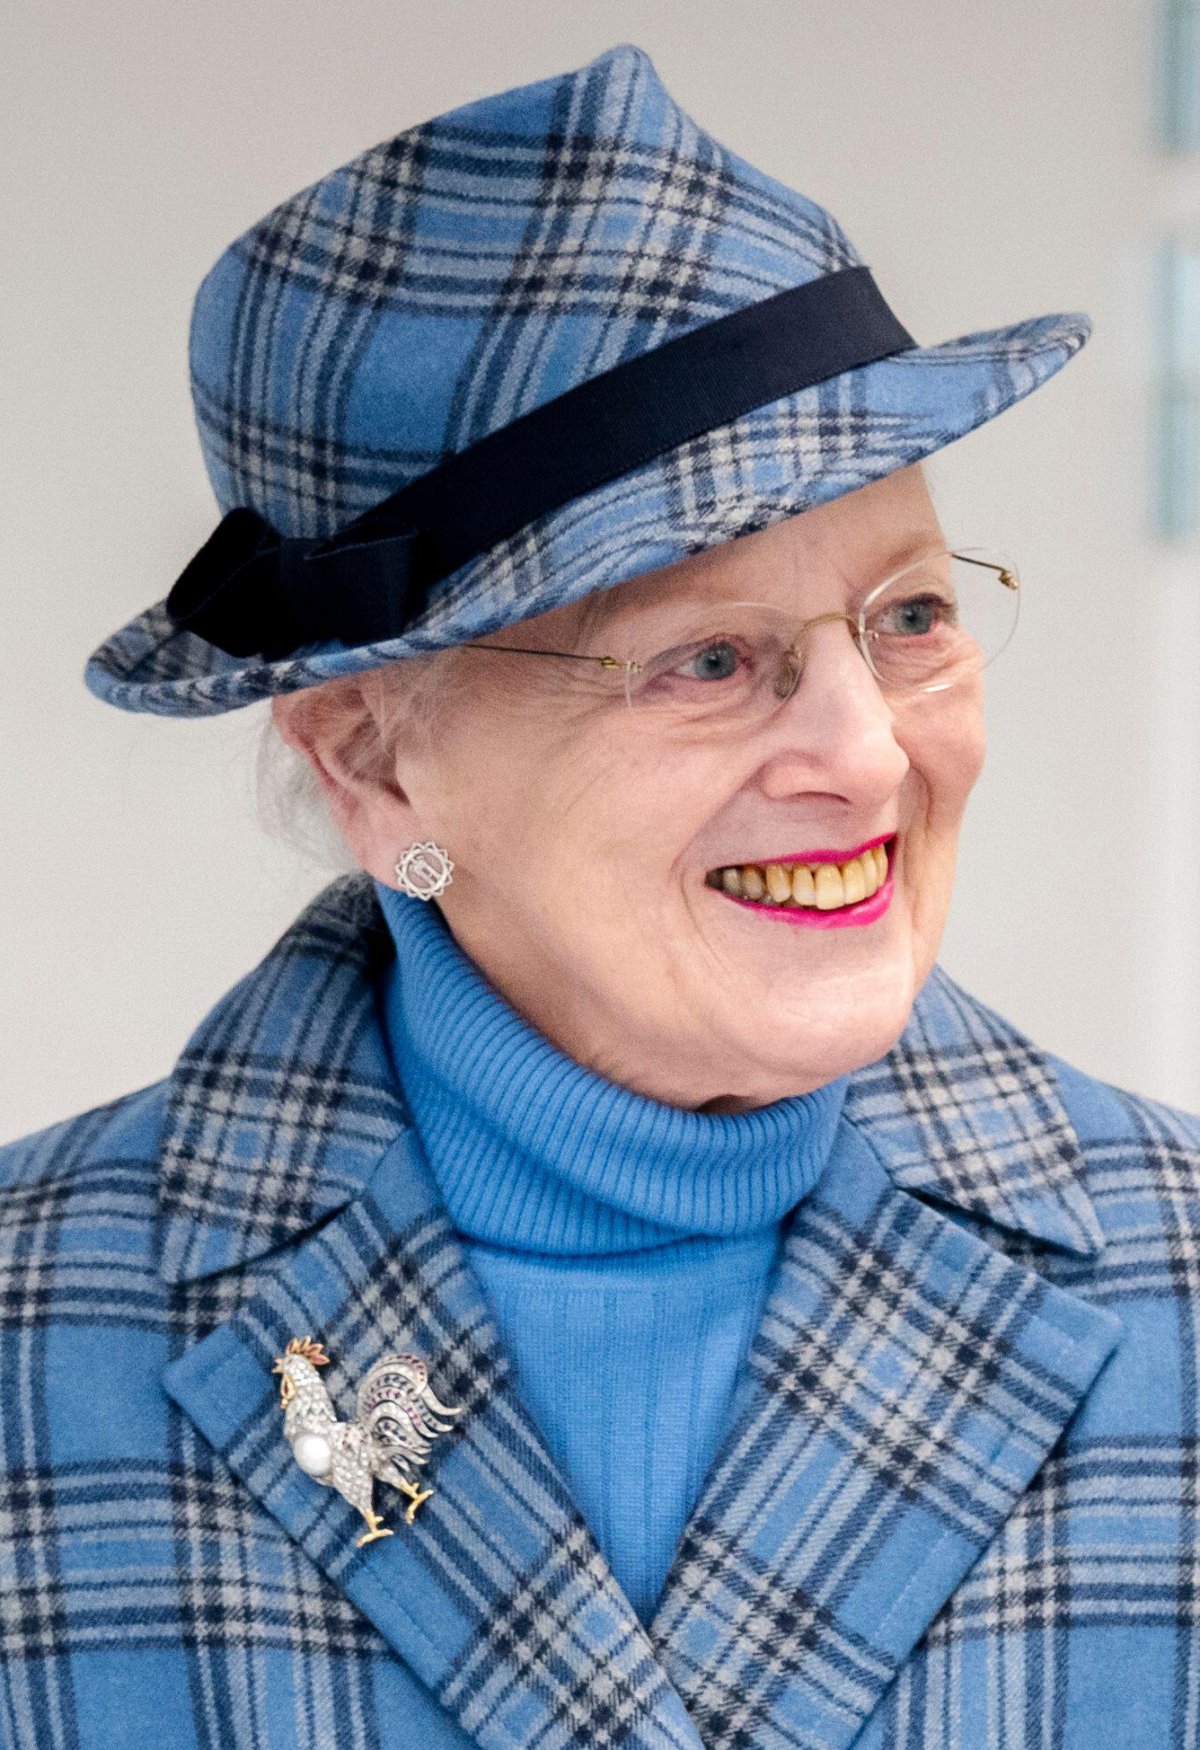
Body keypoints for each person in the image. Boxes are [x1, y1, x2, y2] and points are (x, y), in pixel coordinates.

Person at [3, 41, 1197, 1750]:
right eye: (713, 657)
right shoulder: (36, 1318)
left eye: (912, 618)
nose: (866, 756)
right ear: (374, 763)